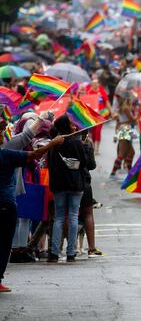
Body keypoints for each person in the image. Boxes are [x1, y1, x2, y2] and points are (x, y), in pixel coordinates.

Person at [0, 121, 64, 292]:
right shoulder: (5, 155)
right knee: (4, 243)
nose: (3, 136)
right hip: (5, 204)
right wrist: (53, 143)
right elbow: (34, 155)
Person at [47, 115, 88, 263]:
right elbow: (84, 163)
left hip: (58, 185)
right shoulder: (76, 142)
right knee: (73, 216)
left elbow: (49, 163)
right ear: (66, 125)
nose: (74, 125)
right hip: (75, 184)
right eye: (71, 123)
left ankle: (54, 253)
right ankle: (71, 253)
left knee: (58, 217)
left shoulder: (54, 143)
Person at [78, 130, 103, 257]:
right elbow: (92, 165)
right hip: (84, 182)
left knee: (65, 216)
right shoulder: (88, 144)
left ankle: (64, 249)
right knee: (88, 214)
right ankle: (91, 248)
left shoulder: (63, 141)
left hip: (65, 182)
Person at [85, 78, 112, 154]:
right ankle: (93, 146)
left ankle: (97, 149)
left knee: (98, 131)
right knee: (92, 132)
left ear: (99, 84)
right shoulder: (88, 91)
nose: (95, 85)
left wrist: (111, 111)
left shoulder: (102, 91)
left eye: (96, 83)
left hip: (101, 114)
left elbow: (107, 102)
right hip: (91, 115)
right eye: (93, 83)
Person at [110, 96, 136, 176]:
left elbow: (118, 123)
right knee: (122, 154)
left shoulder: (120, 108)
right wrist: (138, 114)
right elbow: (133, 120)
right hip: (125, 130)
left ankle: (129, 171)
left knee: (131, 152)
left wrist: (116, 134)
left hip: (123, 130)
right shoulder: (126, 108)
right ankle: (114, 172)